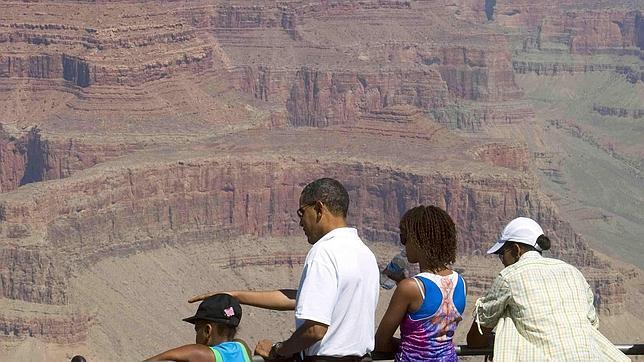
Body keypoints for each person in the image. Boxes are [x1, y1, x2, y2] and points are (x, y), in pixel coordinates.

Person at [189, 178, 380, 361]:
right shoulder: (364, 253)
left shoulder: (324, 252)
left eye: (301, 212)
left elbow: (316, 330)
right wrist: (234, 295)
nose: (300, 222)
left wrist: (279, 350)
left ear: (319, 208)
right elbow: (304, 298)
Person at [466, 217, 629, 361]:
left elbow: (476, 339)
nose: (501, 260)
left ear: (516, 250)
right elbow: (592, 323)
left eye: (502, 254)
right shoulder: (572, 272)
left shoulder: (509, 277)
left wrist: (500, 338)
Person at [375, 205, 466, 361]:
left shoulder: (409, 288)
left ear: (418, 240)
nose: (403, 245)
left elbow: (381, 342)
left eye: (404, 238)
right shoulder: (461, 283)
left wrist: (412, 346)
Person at [144, 294, 252, 362]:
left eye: (197, 330)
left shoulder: (202, 353)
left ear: (207, 331)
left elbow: (163, 358)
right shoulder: (242, 347)